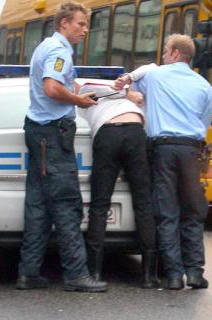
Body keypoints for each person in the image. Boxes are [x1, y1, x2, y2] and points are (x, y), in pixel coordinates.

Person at [16, 2, 107, 292]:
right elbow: (52, 88)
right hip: (53, 136)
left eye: (85, 24)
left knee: (38, 204)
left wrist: (79, 91)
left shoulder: (46, 47)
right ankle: (76, 274)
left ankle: (28, 273)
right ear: (64, 23)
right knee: (67, 204)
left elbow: (58, 85)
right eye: (80, 24)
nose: (84, 30)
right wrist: (79, 101)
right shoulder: (59, 51)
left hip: (39, 131)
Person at [115, 34, 212, 290]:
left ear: (175, 54)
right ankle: (195, 272)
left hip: (162, 150)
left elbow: (130, 90)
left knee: (167, 212)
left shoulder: (155, 77)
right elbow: (204, 122)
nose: (162, 56)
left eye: (165, 51)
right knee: (193, 212)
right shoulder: (204, 85)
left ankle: (173, 275)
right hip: (192, 151)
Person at [77, 77, 159, 288]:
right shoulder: (130, 98)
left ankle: (94, 272)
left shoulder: (85, 96)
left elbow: (88, 90)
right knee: (143, 203)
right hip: (135, 131)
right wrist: (128, 92)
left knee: (100, 205)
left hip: (108, 133)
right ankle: (149, 276)